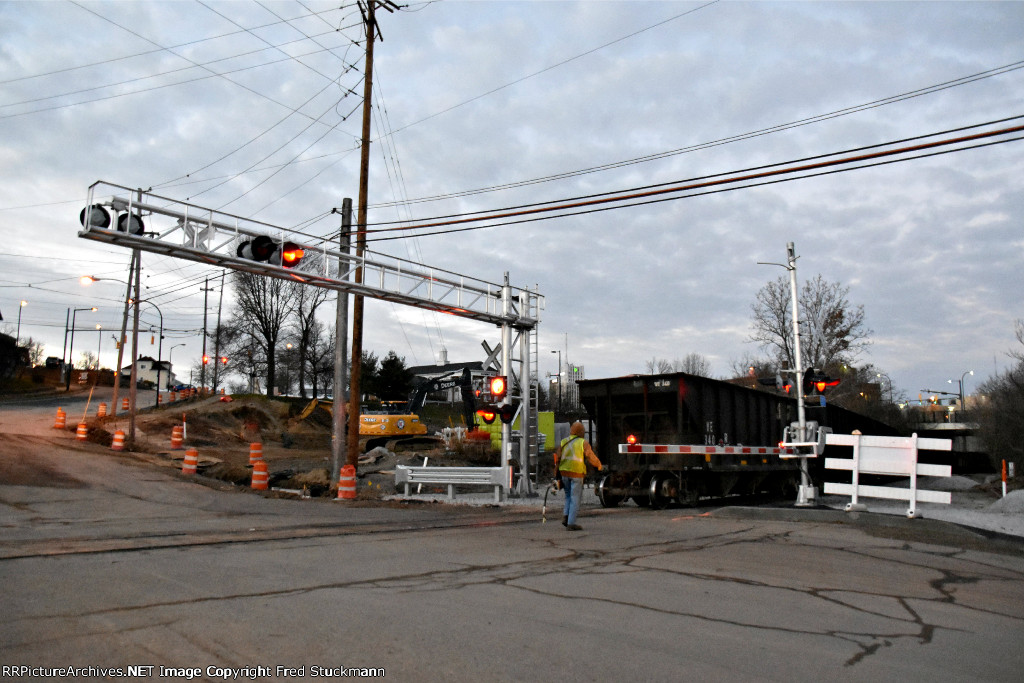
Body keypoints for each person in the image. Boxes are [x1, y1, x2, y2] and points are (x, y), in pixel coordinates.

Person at [554, 421, 603, 531]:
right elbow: (591, 457)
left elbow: (558, 459)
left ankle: (566, 516)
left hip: (564, 473)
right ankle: (571, 523)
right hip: (576, 474)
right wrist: (599, 466)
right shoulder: (583, 443)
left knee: (568, 496)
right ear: (582, 432)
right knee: (575, 498)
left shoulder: (563, 442)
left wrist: (556, 474)